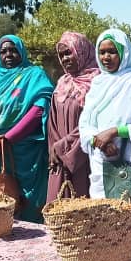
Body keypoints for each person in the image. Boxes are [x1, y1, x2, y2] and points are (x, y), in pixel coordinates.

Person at [78, 29, 131, 245]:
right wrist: (99, 141)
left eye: (112, 52)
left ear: (124, 52)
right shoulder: (98, 83)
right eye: (102, 52)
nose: (106, 57)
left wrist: (118, 132)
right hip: (100, 167)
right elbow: (85, 124)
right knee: (104, 231)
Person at [0, 35, 54, 222]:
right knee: (1, 199)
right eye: (3, 51)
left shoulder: (34, 74)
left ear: (21, 51)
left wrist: (8, 138)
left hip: (27, 153)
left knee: (29, 207)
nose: (8, 54)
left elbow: (40, 108)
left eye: (13, 50)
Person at [45, 31, 100, 203]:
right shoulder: (62, 83)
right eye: (61, 55)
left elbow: (94, 121)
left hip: (84, 158)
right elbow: (52, 122)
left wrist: (65, 147)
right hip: (60, 159)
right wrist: (54, 149)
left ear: (81, 51)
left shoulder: (97, 83)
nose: (65, 59)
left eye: (69, 52)